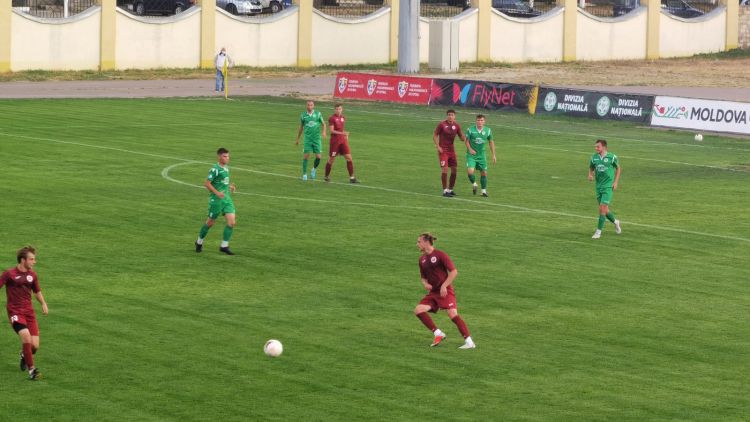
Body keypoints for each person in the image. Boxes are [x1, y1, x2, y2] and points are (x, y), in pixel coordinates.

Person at [413, 233, 475, 349]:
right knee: (418, 310)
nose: (417, 244)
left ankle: (470, 342)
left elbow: (453, 272)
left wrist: (444, 286)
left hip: (445, 291)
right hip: (434, 293)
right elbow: (423, 277)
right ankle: (438, 334)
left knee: (453, 315)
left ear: (426, 242)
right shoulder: (422, 260)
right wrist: (425, 284)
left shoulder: (440, 255)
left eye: (419, 242)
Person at [0, 246, 49, 380]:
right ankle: (32, 370)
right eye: (31, 259)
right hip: (15, 312)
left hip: (29, 312)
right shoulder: (9, 274)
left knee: (34, 346)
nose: (34, 262)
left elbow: (37, 291)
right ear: (23, 260)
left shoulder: (32, 275)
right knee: (26, 337)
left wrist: (43, 303)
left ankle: (24, 354)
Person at [195, 148, 238, 255]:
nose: (227, 158)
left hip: (226, 199)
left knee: (232, 222)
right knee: (210, 223)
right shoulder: (215, 169)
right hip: (216, 200)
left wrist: (230, 187)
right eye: (225, 156)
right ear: (219, 157)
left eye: (228, 156)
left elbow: (222, 183)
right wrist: (217, 193)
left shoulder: (226, 168)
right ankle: (199, 242)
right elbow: (207, 183)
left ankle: (224, 245)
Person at [588, 139, 622, 239]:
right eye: (595, 146)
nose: (596, 148)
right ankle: (616, 222)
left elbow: (618, 168)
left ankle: (598, 232)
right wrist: (590, 175)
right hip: (598, 187)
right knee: (605, 210)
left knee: (602, 209)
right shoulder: (594, 158)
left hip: (608, 187)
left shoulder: (612, 157)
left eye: (598, 146)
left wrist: (615, 182)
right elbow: (591, 167)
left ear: (604, 147)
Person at [433, 110, 466, 197]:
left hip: (452, 151)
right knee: (445, 169)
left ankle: (450, 189)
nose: (450, 116)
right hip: (443, 151)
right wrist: (438, 146)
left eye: (452, 115)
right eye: (449, 115)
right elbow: (435, 135)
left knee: (454, 170)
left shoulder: (457, 125)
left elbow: (461, 138)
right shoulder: (442, 124)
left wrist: (464, 137)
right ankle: (445, 191)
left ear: (455, 116)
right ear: (447, 116)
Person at [463, 114, 496, 197]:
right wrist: (470, 149)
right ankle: (474, 184)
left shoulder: (488, 130)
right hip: (471, 155)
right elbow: (466, 141)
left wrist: (493, 155)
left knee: (484, 173)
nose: (480, 122)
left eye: (481, 120)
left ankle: (483, 191)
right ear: (476, 121)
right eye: (478, 120)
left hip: (481, 156)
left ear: (484, 121)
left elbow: (491, 142)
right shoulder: (470, 130)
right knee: (470, 172)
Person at [324, 103, 358, 183]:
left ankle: (352, 178)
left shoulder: (343, 118)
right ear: (334, 110)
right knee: (331, 159)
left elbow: (341, 129)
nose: (338, 111)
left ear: (342, 109)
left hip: (342, 141)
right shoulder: (331, 118)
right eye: (337, 109)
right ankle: (326, 176)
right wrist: (343, 133)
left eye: (339, 109)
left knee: (349, 158)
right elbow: (332, 131)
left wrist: (345, 136)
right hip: (335, 142)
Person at [295, 100, 327, 181]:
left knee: (319, 157)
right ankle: (305, 174)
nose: (309, 107)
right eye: (308, 105)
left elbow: (323, 124)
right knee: (306, 156)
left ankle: (314, 169)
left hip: (316, 139)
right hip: (307, 139)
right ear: (306, 106)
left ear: (313, 106)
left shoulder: (318, 114)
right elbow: (301, 127)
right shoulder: (303, 115)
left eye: (311, 105)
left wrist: (323, 132)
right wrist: (298, 139)